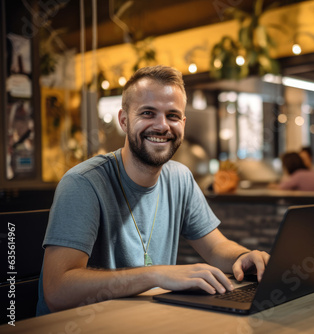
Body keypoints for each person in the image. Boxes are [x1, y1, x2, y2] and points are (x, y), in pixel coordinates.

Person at [37, 66, 269, 315]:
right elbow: (58, 291)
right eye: (148, 113)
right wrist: (157, 274)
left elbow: (215, 248)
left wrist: (242, 257)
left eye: (172, 115)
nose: (162, 126)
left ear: (183, 123)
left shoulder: (180, 178)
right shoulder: (83, 183)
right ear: (124, 120)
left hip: (144, 321)